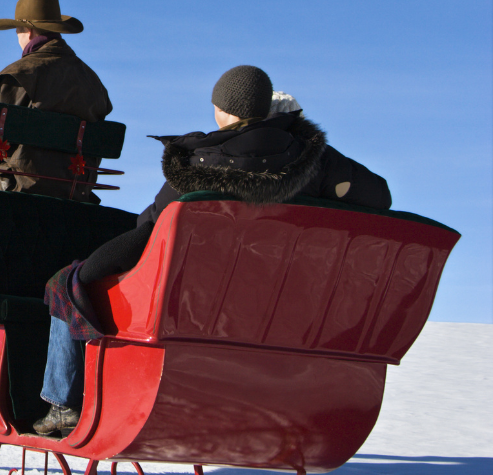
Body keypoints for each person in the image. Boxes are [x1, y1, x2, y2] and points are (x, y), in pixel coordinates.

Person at [33, 64, 392, 436]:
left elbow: (152, 227)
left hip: (200, 307)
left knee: (67, 282)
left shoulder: (200, 162)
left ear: (222, 109)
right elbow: (379, 195)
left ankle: (62, 404)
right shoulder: (315, 159)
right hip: (290, 312)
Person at [0, 0, 112, 201]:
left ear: (29, 31)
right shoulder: (93, 81)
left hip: (21, 186)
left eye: (17, 31)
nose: (17, 37)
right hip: (76, 190)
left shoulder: (23, 73)